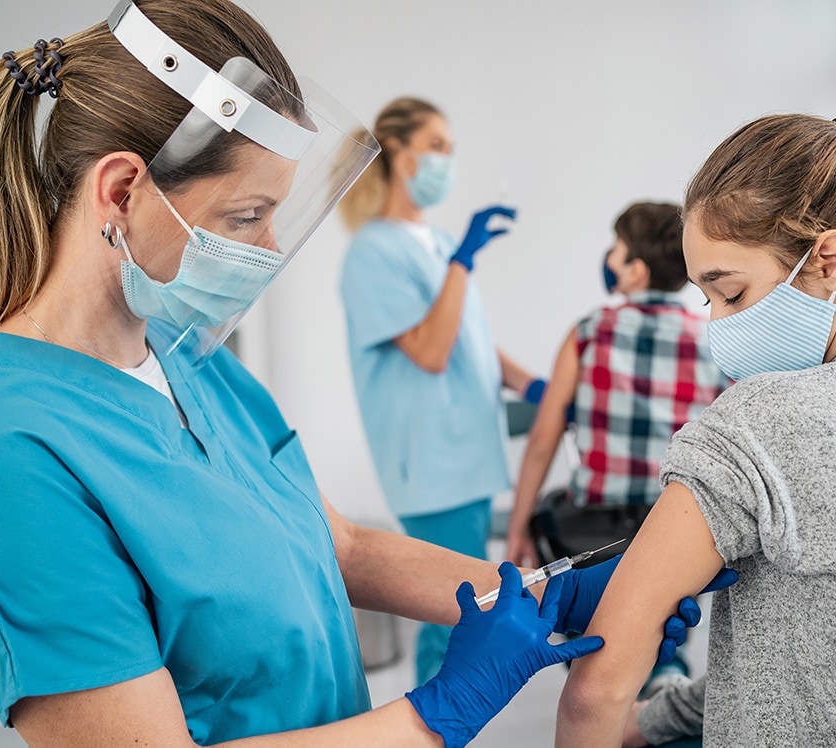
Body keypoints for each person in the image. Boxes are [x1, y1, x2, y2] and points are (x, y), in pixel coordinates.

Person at [0, 1, 711, 745]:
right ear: (121, 191)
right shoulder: (2, 454)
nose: (265, 251)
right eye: (247, 216)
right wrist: (439, 711)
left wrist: (546, 596)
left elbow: (344, 548)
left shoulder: (191, 365)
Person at [555, 113, 836, 746]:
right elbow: (800, 661)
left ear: (827, 259)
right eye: (705, 300)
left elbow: (596, 690)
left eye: (730, 293)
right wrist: (655, 723)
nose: (718, 325)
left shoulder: (754, 423)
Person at [337, 97, 545, 686]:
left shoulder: (435, 241)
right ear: (398, 156)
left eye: (450, 149)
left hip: (466, 455)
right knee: (454, 613)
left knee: (462, 608)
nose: (446, 161)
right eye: (436, 147)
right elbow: (430, 352)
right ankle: (434, 727)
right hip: (431, 462)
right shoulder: (373, 252)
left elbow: (468, 338)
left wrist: (531, 383)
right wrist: (462, 261)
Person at [505, 202, 727, 570]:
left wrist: (516, 531)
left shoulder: (590, 331)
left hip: (595, 531)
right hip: (676, 524)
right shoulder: (712, 338)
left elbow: (544, 440)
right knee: (665, 618)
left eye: (616, 248)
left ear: (635, 271)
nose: (609, 258)